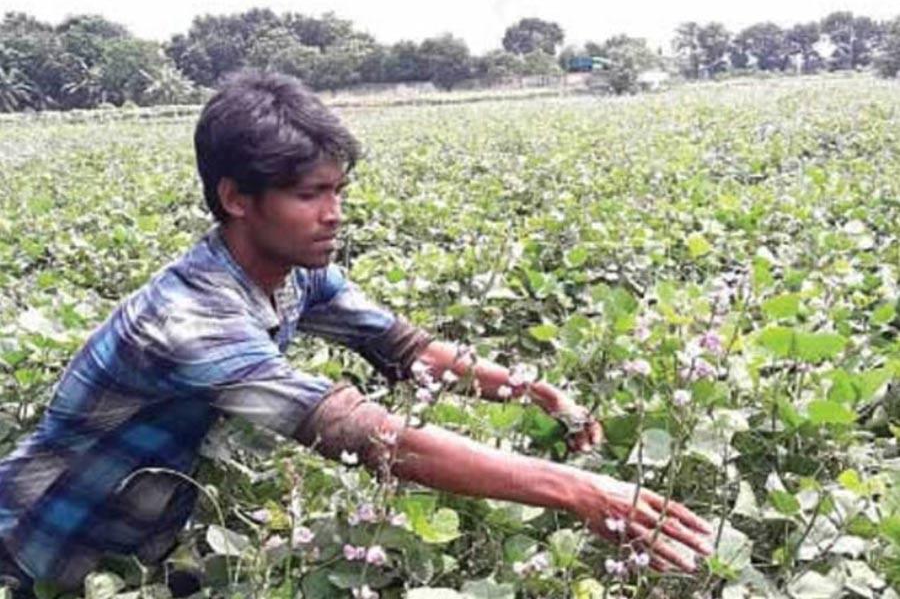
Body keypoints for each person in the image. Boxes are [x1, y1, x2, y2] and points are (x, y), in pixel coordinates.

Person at [0, 70, 711, 598]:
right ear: (235, 197)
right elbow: (367, 435)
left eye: (338, 191)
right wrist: (581, 491)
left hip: (134, 550)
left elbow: (408, 351)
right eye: (310, 195)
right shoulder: (189, 318)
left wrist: (530, 389)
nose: (334, 213)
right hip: (37, 549)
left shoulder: (295, 273)